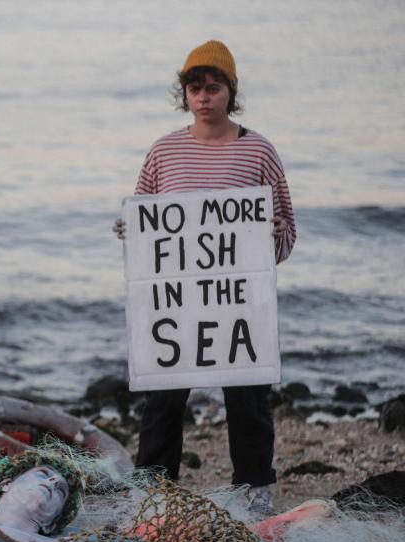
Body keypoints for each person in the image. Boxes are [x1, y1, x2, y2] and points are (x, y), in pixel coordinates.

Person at [114, 40, 297, 517]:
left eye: (213, 88)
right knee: (164, 399)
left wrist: (273, 235)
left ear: (229, 92)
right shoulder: (164, 151)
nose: (203, 97)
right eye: (194, 88)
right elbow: (148, 222)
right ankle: (153, 492)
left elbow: (287, 230)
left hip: (239, 301)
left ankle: (254, 489)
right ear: (185, 94)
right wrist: (131, 232)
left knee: (247, 396)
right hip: (176, 303)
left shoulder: (258, 150)